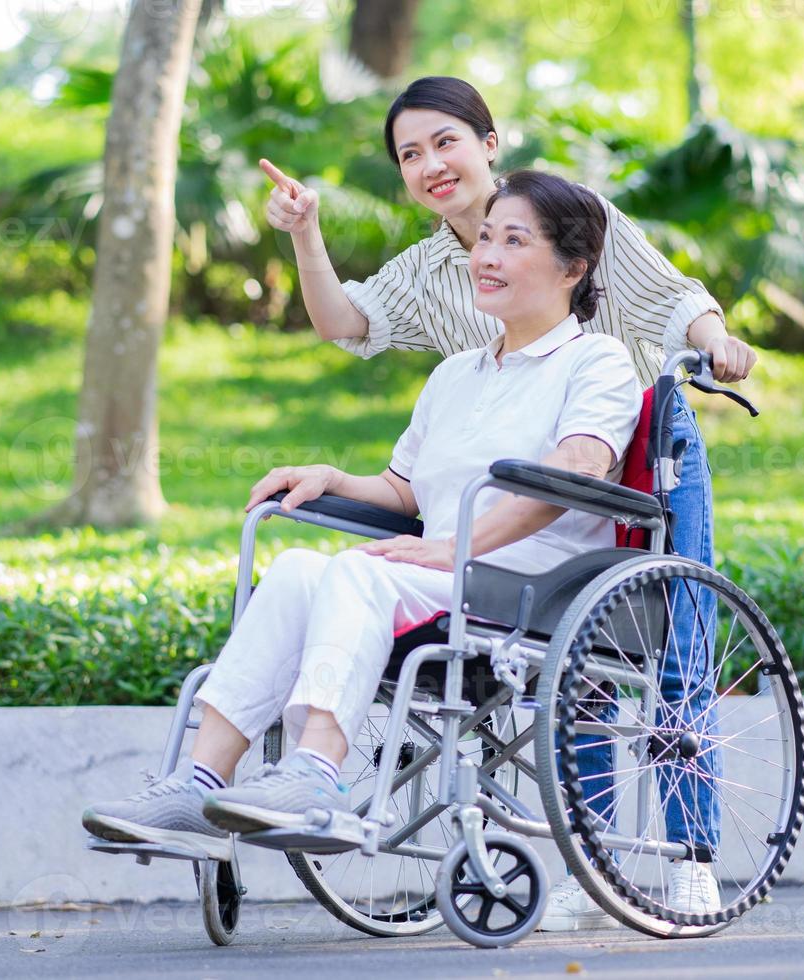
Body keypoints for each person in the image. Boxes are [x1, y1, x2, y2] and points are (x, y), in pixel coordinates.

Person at [83, 170, 662, 902]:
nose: (488, 255)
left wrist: (457, 547)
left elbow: (576, 469)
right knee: (296, 566)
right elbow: (407, 491)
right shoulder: (456, 374)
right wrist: (334, 477)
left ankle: (316, 778)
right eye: (486, 236)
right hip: (438, 575)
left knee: (358, 570)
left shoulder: (597, 361)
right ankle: (196, 786)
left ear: (573, 268)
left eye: (514, 241)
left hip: (529, 587)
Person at [257, 76, 739, 924]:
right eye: (410, 154)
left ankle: (689, 853)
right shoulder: (427, 268)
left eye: (446, 141)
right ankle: (591, 860)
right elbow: (344, 321)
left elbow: (668, 296)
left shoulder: (563, 211)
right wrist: (307, 235)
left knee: (671, 653)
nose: (431, 164)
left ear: (487, 141)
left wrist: (717, 343)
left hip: (631, 445)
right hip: (513, 493)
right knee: (570, 671)